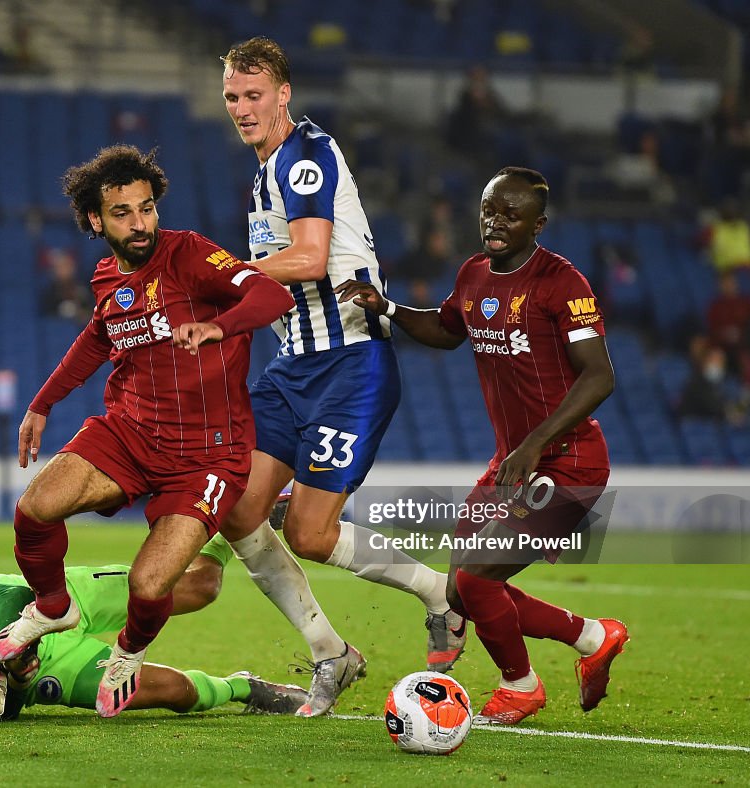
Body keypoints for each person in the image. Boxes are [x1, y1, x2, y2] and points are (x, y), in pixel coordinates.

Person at [0, 145, 295, 718]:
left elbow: (271, 294)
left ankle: (129, 651)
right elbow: (99, 339)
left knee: (149, 588)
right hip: (130, 433)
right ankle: (54, 607)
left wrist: (218, 328)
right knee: (35, 508)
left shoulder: (190, 254)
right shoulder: (106, 277)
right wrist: (42, 403)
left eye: (146, 208)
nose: (140, 222)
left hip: (208, 455)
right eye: (123, 213)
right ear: (97, 221)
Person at [219, 36, 464, 718]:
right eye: (233, 97)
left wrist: (216, 276)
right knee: (237, 510)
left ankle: (439, 593)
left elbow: (308, 256)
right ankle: (332, 653)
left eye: (254, 95)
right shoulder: (266, 175)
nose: (242, 108)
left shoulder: (304, 155)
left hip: (351, 364)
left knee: (311, 534)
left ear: (283, 94)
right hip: (294, 365)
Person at [335, 167, 629, 726]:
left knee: (474, 577)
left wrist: (534, 445)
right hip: (513, 462)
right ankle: (593, 638)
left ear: (537, 224)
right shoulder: (473, 274)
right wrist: (389, 309)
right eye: (489, 210)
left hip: (567, 462)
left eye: (510, 214)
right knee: (463, 589)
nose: (495, 223)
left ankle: (520, 687)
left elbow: (599, 377)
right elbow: (448, 330)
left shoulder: (562, 284)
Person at [0, 537, 308, 721]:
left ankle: (230, 530)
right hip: (46, 671)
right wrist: (16, 674)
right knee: (176, 692)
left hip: (53, 604)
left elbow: (5, 598)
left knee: (200, 588)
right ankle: (243, 688)